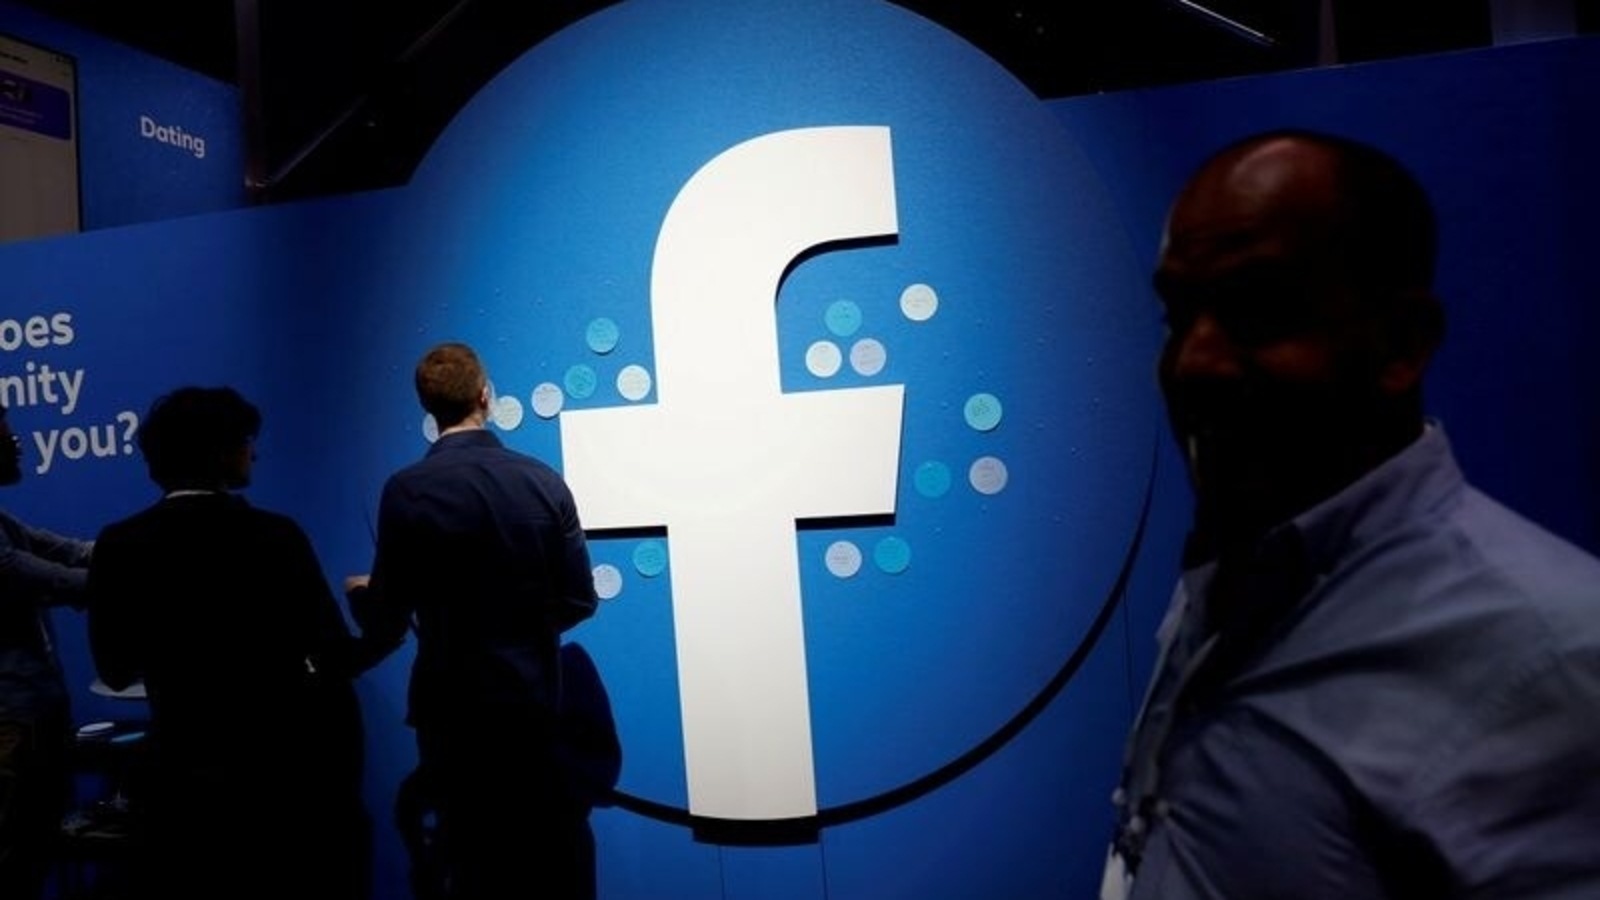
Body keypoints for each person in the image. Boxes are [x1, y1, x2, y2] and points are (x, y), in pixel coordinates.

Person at [1105, 129, 1600, 899]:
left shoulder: (1556, 656)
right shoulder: (1228, 589)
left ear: (1402, 344)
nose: (1194, 361)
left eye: (1259, 308)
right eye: (1178, 314)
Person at [86, 386, 382, 899]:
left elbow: (113, 667)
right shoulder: (274, 536)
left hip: (182, 784)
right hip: (281, 783)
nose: (255, 451)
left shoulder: (119, 543)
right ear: (220, 451)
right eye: (247, 440)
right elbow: (332, 652)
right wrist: (383, 629)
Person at [347, 342, 599, 899]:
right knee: (538, 861)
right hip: (531, 704)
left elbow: (389, 613)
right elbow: (580, 599)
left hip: (449, 712)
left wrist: (361, 594)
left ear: (427, 408)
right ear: (486, 395)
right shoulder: (542, 481)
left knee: (471, 864)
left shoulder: (406, 490)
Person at [0, 402, 92, 899]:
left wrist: (137, 548)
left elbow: (63, 550)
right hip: (11, 722)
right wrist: (134, 575)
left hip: (33, 715)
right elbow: (22, 571)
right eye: (1, 426)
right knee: (12, 854)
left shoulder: (3, 519)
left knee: (34, 851)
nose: (13, 438)